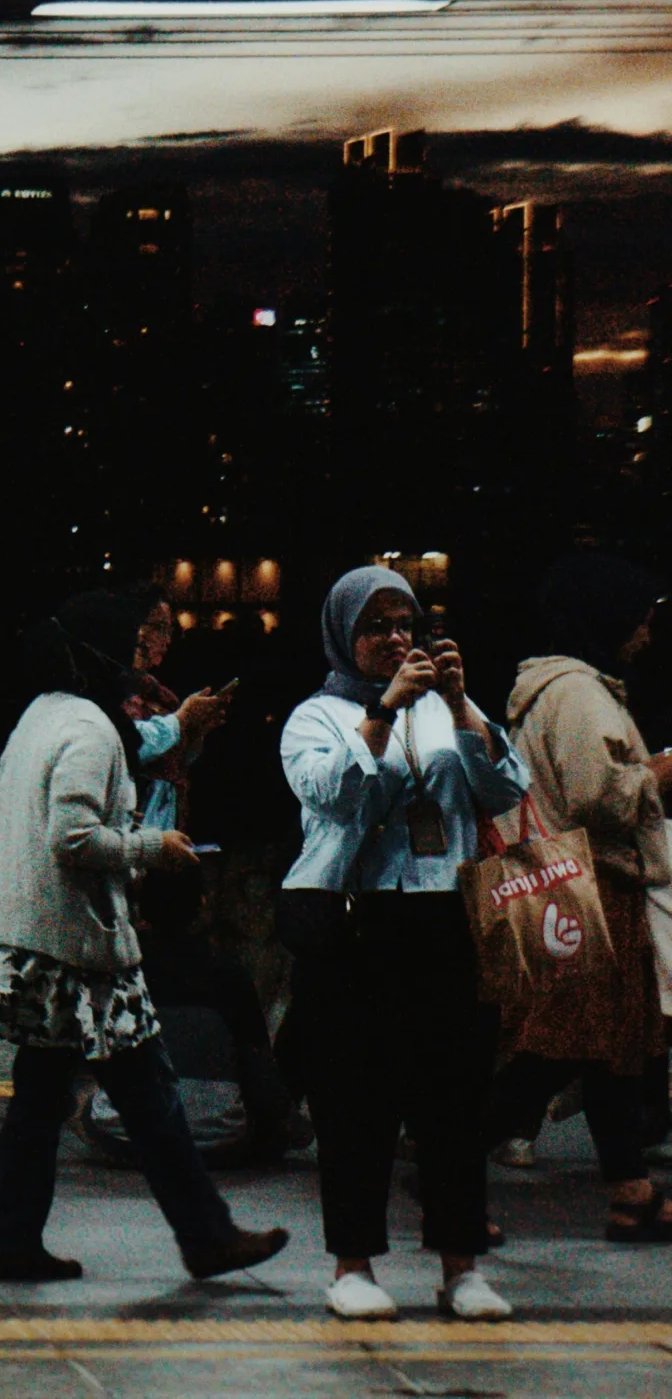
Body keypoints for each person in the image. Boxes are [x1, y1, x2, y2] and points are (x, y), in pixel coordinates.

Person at [0, 590, 288, 1286]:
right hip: (79, 947)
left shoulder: (39, 716)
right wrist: (152, 847)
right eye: (128, 645)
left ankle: (17, 1241)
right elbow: (72, 836)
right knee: (143, 1090)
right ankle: (204, 1236)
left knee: (52, 1095)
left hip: (37, 937)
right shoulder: (92, 729)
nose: (137, 661)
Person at [278, 565, 527, 1322]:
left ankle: (461, 1267)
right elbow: (339, 797)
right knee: (356, 1100)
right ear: (343, 634)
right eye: (376, 626)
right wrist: (383, 713)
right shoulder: (314, 717)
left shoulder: (448, 708)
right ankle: (353, 1264)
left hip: (443, 917)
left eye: (405, 625)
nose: (394, 639)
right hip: (358, 922)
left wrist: (456, 704)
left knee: (453, 1099)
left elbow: (504, 789)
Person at [485, 553, 672, 1242]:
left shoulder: (566, 688)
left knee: (606, 1048)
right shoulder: (577, 693)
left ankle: (632, 1191)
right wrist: (658, 775)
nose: (647, 634)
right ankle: (452, 1157)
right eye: (641, 619)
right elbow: (597, 795)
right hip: (585, 887)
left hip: (569, 884)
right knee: (563, 1047)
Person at [79, 864, 302, 1170]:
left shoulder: (118, 969)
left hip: (125, 1135)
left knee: (82, 1098)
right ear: (202, 904)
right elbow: (258, 1067)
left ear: (142, 906)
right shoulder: (228, 972)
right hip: (217, 1140)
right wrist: (289, 1122)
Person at [127, 588, 233, 833]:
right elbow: (129, 745)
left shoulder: (159, 693)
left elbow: (177, 759)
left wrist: (194, 733)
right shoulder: (114, 688)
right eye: (159, 628)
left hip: (164, 823)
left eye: (169, 630)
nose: (167, 639)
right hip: (132, 828)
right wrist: (181, 719)